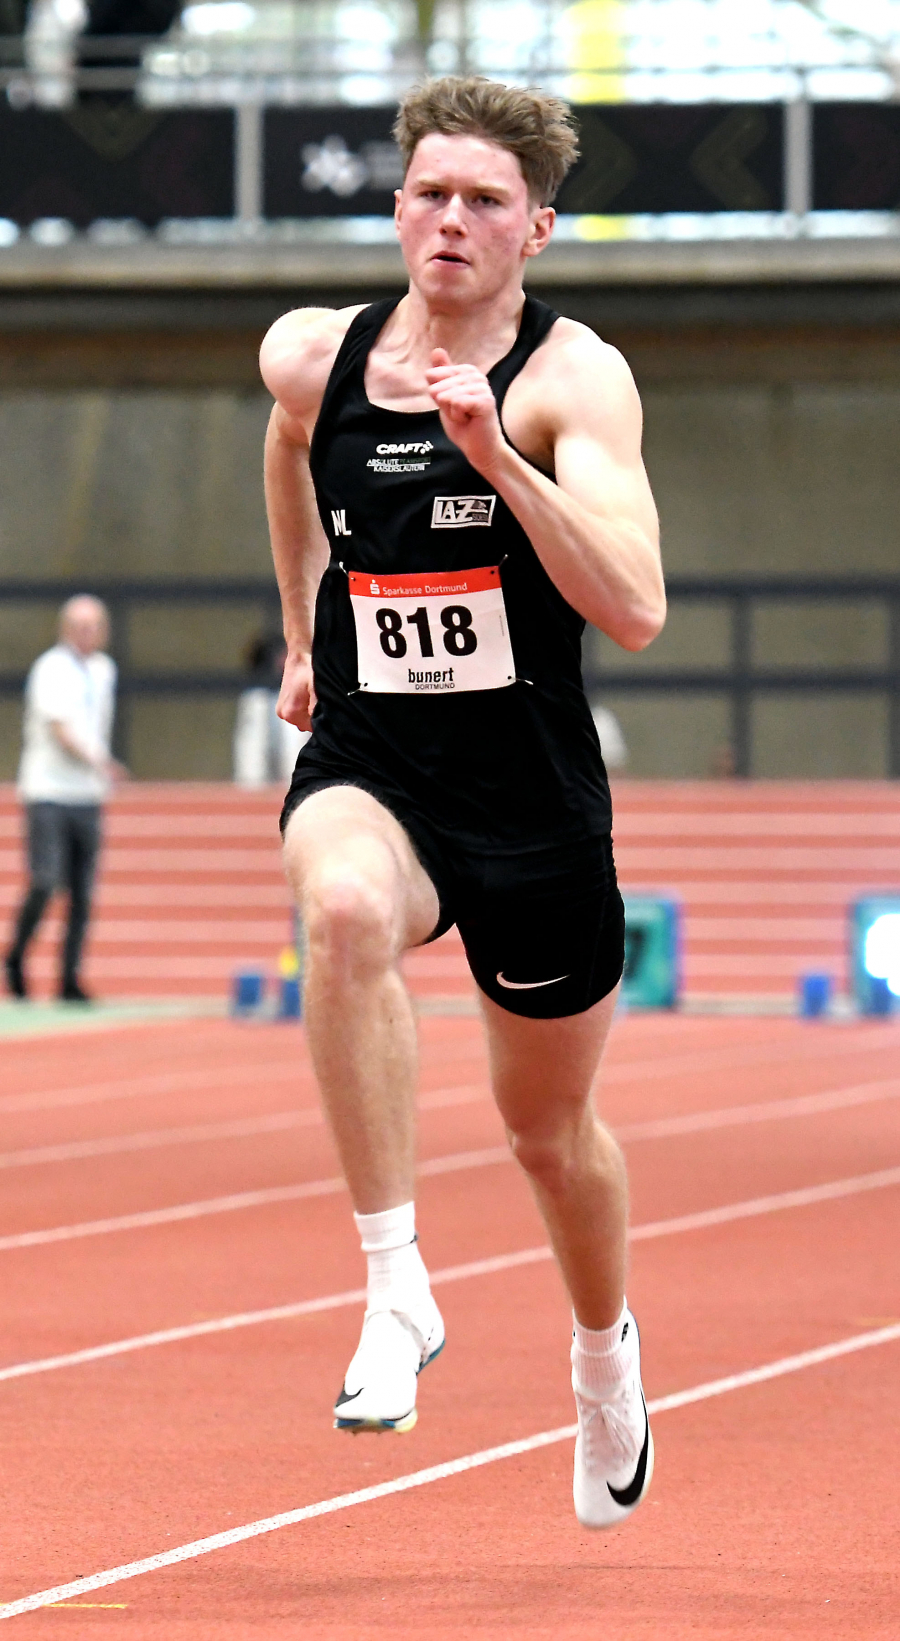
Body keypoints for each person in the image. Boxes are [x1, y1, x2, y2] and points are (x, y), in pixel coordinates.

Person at [259, 76, 665, 1530]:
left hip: (532, 799)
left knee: (549, 1137)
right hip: (377, 762)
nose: (450, 219)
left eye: (485, 200)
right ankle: (395, 1287)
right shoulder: (317, 355)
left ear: (537, 229)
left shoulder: (575, 383)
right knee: (344, 903)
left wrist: (497, 457)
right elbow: (292, 446)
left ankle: (604, 1359)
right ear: (396, 210)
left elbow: (634, 608)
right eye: (429, 192)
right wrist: (305, 630)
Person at [4, 595, 123, 1002]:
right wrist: (101, 761)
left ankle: (69, 977)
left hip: (87, 795)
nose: (88, 634)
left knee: (83, 891)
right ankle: (16, 955)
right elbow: (61, 729)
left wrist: (99, 772)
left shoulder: (104, 670)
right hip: (50, 791)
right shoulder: (51, 669)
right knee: (46, 879)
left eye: (94, 626)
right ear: (65, 629)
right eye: (80, 625)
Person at [233, 631, 309, 788]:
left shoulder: (304, 677)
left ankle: (294, 783)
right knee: (253, 770)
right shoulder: (255, 696)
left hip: (292, 700)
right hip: (263, 702)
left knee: (294, 749)